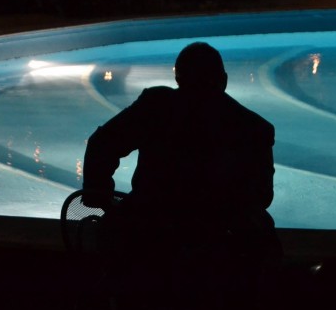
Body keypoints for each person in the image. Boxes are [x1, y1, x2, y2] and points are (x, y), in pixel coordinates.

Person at [82, 41, 282, 265]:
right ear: (224, 80)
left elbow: (101, 143)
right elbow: (262, 196)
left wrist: (102, 200)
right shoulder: (254, 128)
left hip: (146, 242)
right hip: (216, 252)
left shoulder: (154, 107)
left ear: (178, 79)